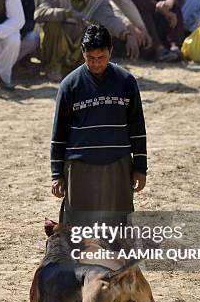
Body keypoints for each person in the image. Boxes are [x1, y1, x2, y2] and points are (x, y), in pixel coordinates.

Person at [50, 24, 146, 234]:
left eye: (101, 57)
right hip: (79, 166)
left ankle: (118, 266)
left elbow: (137, 128)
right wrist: (57, 174)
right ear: (82, 53)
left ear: (110, 51)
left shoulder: (126, 82)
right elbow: (59, 134)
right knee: (79, 225)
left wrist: (140, 168)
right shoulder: (70, 85)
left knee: (118, 224)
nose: (96, 63)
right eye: (90, 58)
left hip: (118, 164)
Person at [35, 0, 140, 82]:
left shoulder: (98, 0)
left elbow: (112, 20)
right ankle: (54, 68)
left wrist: (127, 35)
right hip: (57, 49)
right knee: (51, 24)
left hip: (79, 52)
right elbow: (39, 14)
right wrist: (67, 13)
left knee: (99, 31)